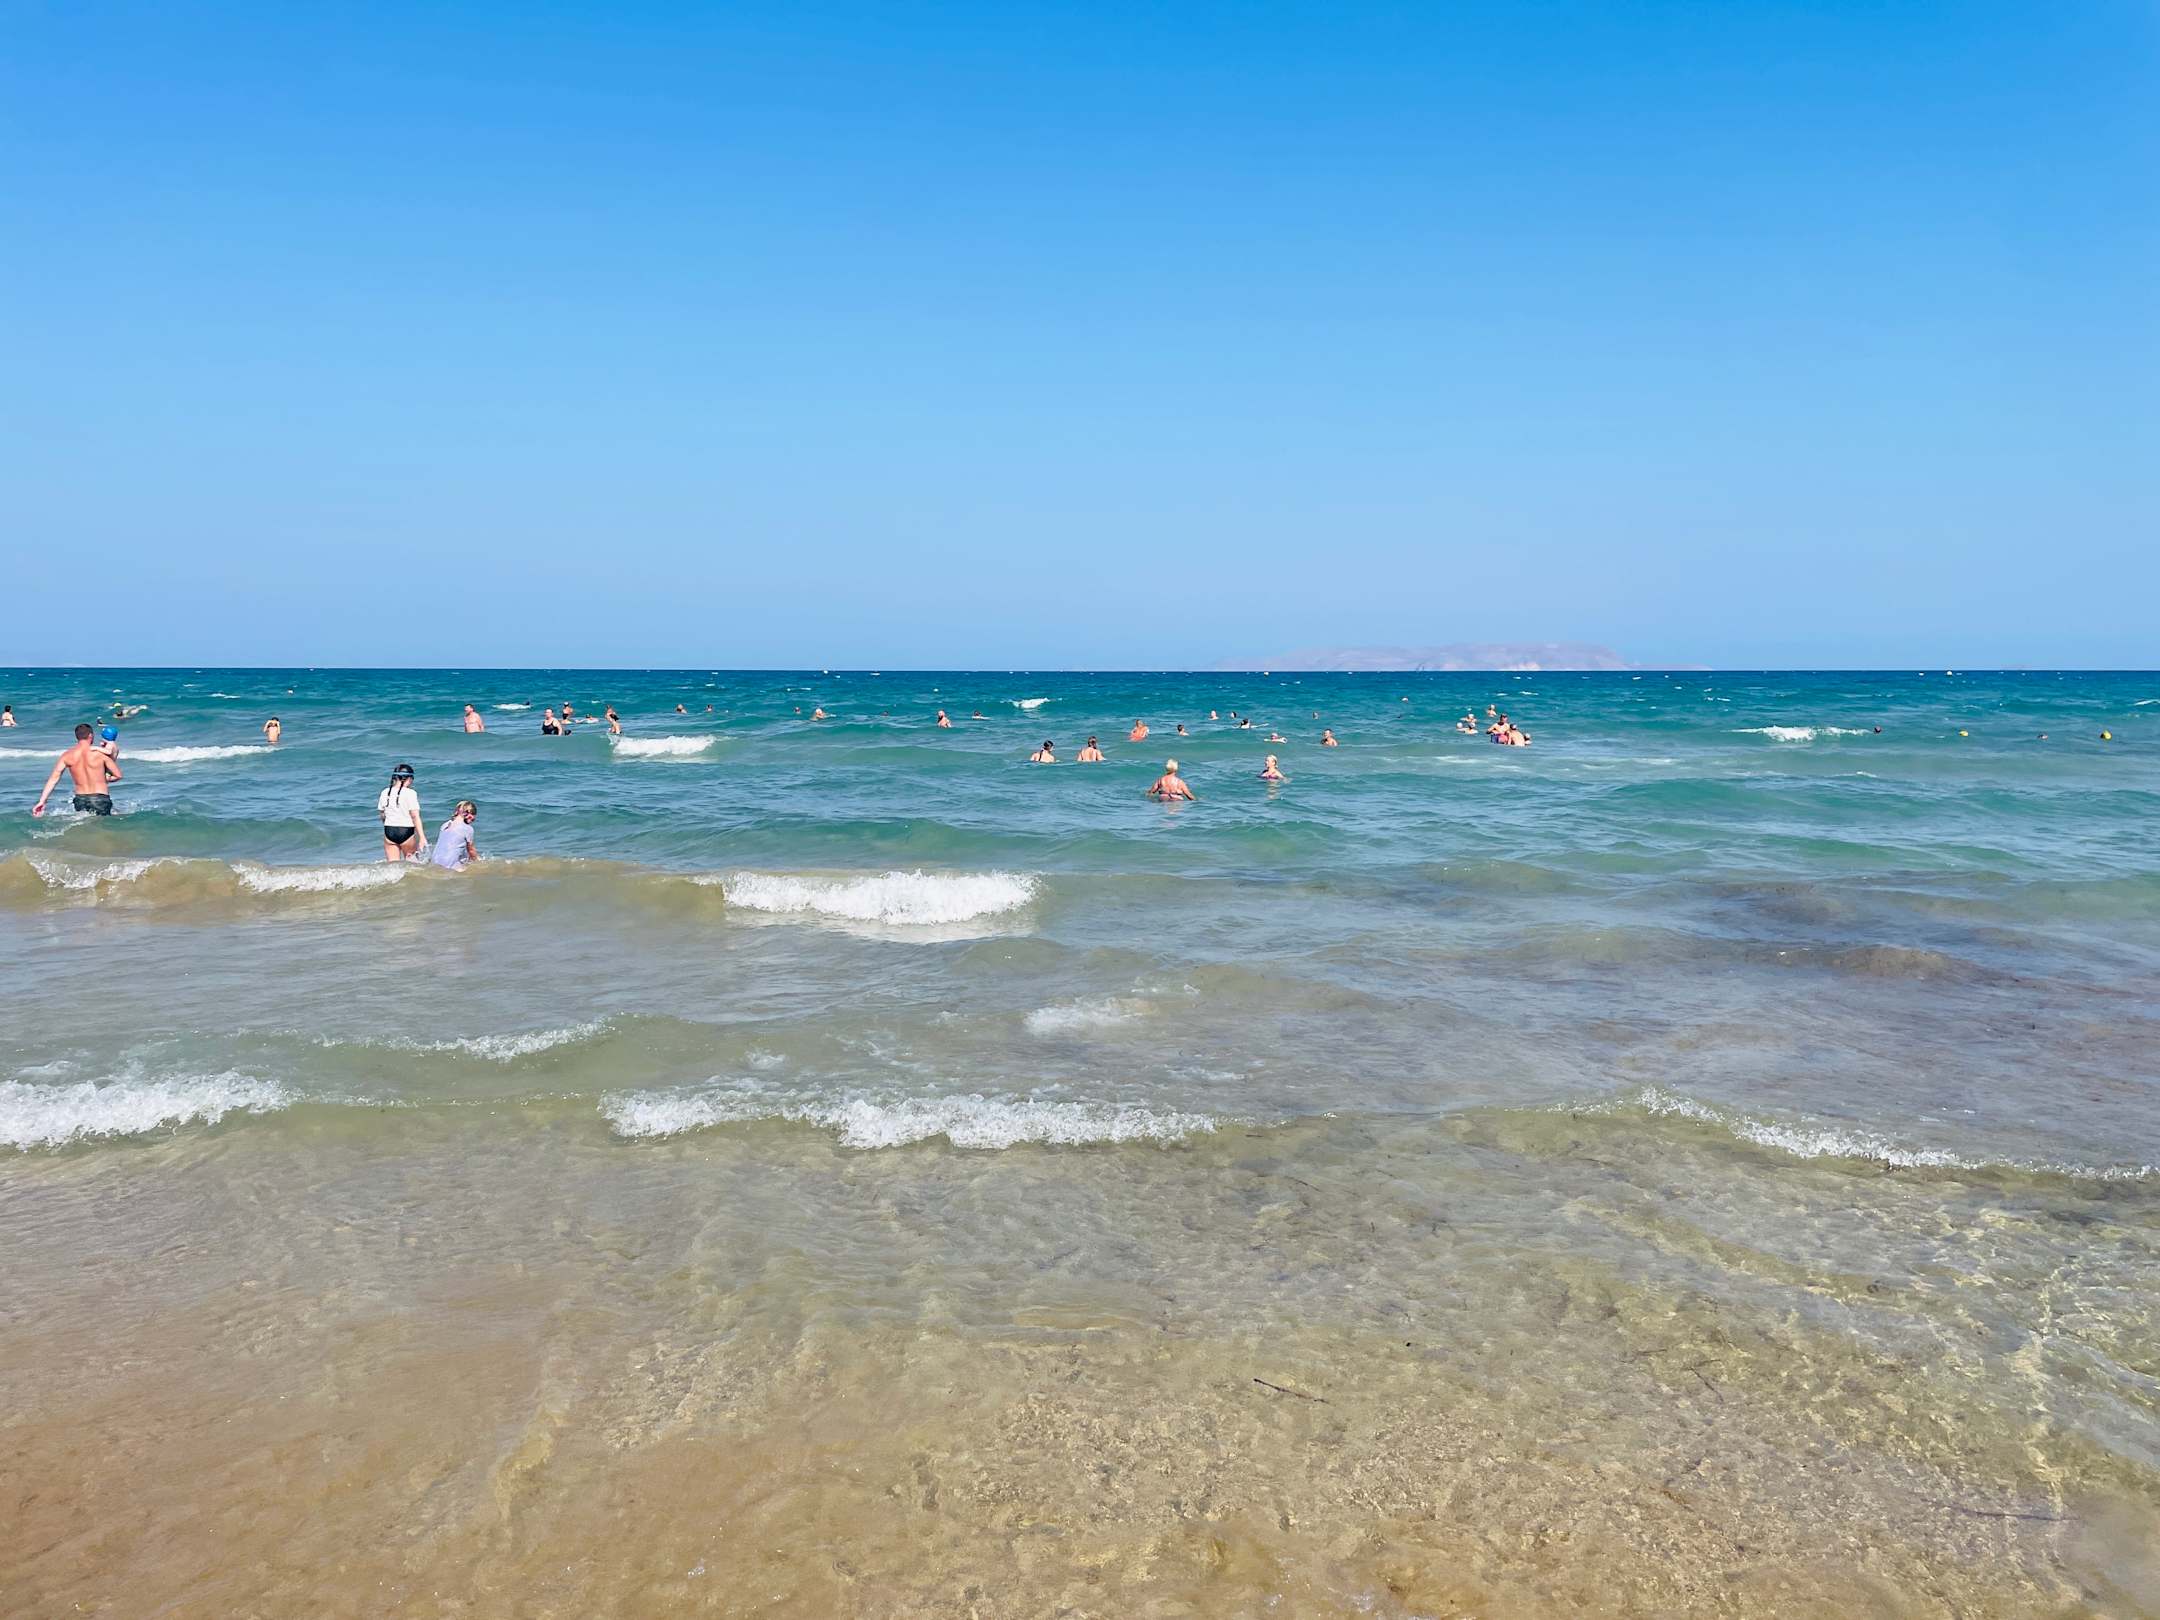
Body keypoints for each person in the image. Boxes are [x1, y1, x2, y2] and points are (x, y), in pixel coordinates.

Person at [33, 723, 123, 817]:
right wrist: (106, 779)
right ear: (90, 735)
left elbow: (53, 779)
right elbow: (118, 775)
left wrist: (42, 801)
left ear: (77, 737)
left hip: (80, 799)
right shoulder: (99, 754)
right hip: (100, 798)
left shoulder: (67, 755)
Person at [378, 764, 425, 861]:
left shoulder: (385, 792)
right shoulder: (411, 793)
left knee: (393, 865)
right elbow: (415, 816)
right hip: (406, 831)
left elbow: (382, 815)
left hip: (389, 830)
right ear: (409, 778)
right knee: (412, 864)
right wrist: (422, 837)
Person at [430, 801, 480, 870]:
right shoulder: (468, 829)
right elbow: (471, 850)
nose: (473, 819)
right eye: (473, 815)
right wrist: (479, 863)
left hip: (434, 862)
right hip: (448, 865)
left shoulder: (444, 825)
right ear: (468, 813)